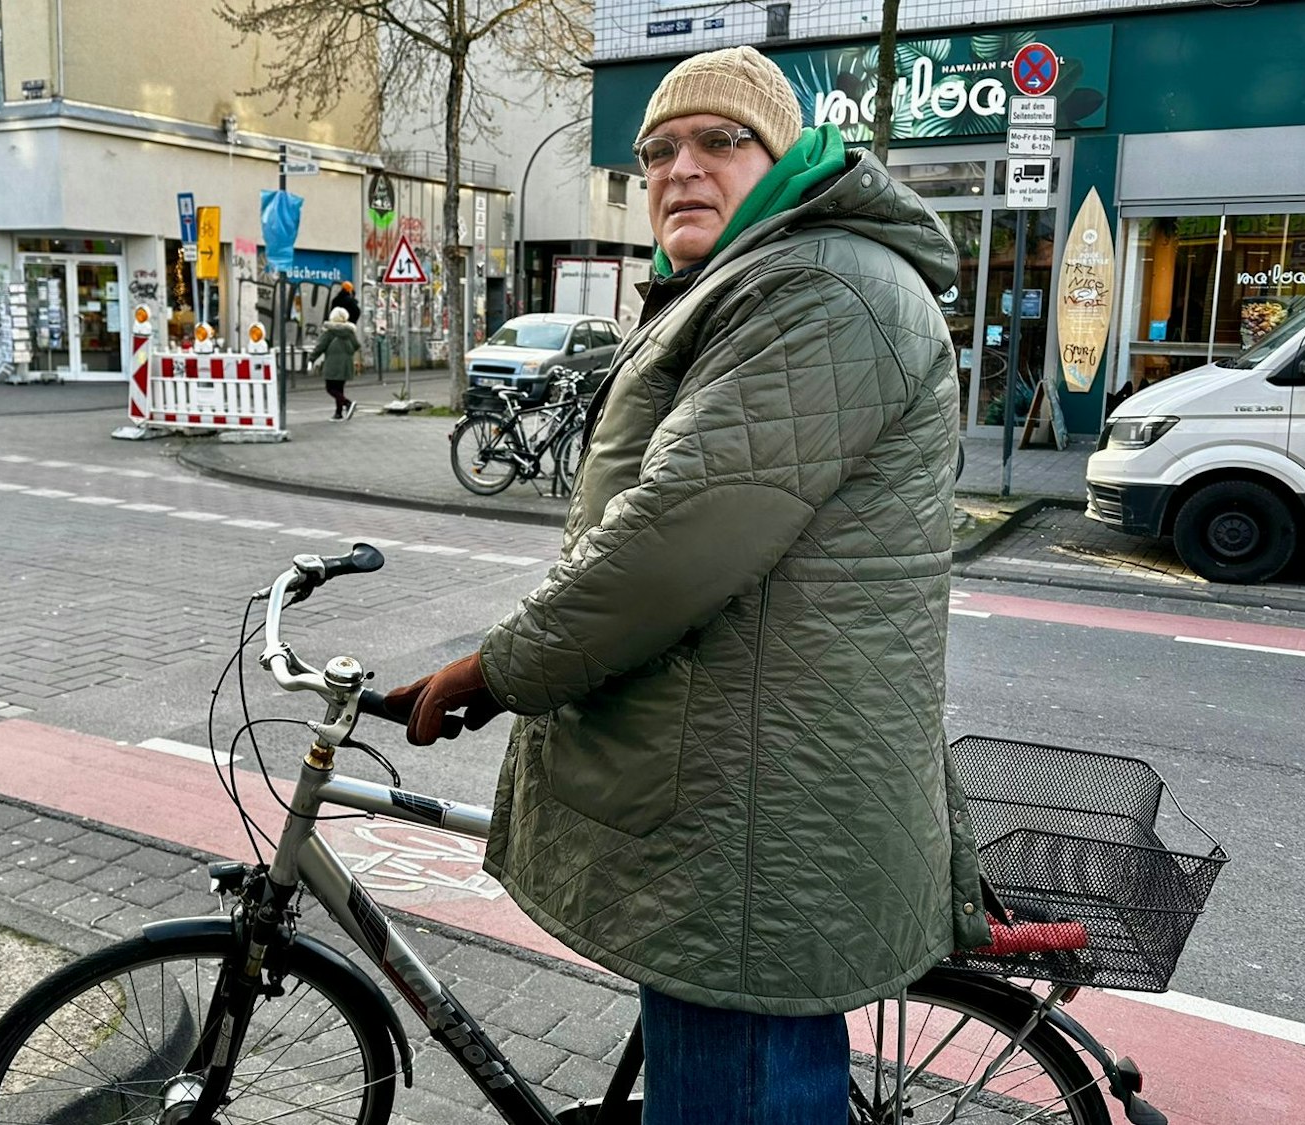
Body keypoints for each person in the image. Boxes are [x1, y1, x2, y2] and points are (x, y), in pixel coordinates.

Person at [384, 46, 987, 1123]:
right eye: (657, 151)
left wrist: (499, 670)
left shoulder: (819, 287)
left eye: (719, 140)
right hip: (741, 782)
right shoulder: (759, 278)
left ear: (787, 155)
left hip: (752, 810)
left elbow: (673, 539)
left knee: (734, 1086)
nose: (680, 168)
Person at [306, 306, 361, 420]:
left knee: (330, 388)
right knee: (339, 388)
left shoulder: (329, 331)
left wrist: (311, 359)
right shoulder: (349, 331)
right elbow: (356, 345)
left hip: (333, 364)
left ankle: (347, 403)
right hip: (346, 364)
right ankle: (338, 413)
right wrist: (347, 352)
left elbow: (320, 347)